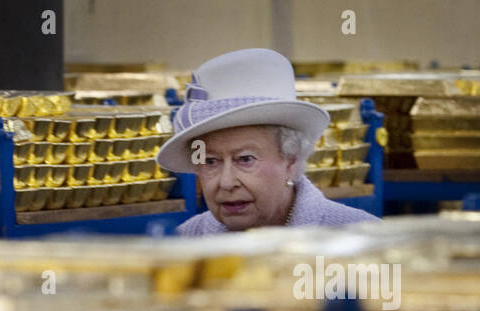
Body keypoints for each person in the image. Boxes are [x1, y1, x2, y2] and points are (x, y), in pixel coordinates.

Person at [156, 48, 380, 235]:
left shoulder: (360, 241)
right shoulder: (187, 242)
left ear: (290, 161)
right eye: (211, 162)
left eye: (245, 159)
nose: (226, 183)